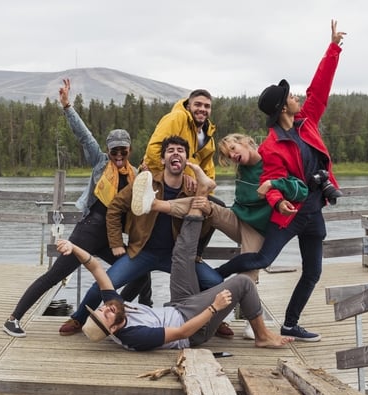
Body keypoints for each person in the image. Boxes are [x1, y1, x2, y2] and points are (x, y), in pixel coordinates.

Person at [211, 20, 347, 342]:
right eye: (290, 96)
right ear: (282, 106)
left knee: (313, 271)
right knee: (262, 259)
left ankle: (290, 323)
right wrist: (277, 201)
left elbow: (320, 89)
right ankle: (211, 277)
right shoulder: (272, 144)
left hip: (314, 210)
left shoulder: (307, 121)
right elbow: (271, 180)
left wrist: (333, 48)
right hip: (290, 214)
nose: (297, 97)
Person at [53, 170, 294, 351]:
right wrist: (214, 307)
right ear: (114, 329)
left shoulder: (115, 308)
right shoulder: (135, 337)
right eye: (105, 314)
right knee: (243, 284)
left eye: (102, 308)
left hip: (178, 306)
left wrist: (73, 247)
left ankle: (202, 190)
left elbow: (95, 268)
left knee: (182, 254)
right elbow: (182, 332)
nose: (106, 307)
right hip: (193, 327)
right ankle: (262, 335)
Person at [3, 78, 149, 338]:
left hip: (111, 237)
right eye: (114, 151)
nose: (118, 156)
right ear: (107, 149)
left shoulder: (136, 173)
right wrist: (67, 105)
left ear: (129, 150)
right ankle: (13, 319)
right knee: (55, 275)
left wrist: (150, 178)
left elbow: (144, 202)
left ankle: (114, 315)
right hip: (89, 230)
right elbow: (84, 135)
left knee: (140, 274)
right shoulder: (99, 162)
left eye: (122, 152)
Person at [57, 136, 224, 336]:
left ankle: (217, 320)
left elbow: (216, 212)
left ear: (186, 159)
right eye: (170, 150)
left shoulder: (193, 188)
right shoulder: (145, 183)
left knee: (214, 282)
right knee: (103, 284)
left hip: (176, 257)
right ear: (163, 160)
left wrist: (196, 252)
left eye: (180, 150)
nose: (176, 153)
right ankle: (79, 318)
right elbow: (115, 208)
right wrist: (116, 242)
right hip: (141, 252)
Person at [141, 89, 224, 259]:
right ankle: (182, 254)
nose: (202, 109)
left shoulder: (208, 134)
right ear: (189, 105)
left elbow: (208, 169)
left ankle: (193, 254)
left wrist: (206, 195)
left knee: (215, 207)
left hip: (188, 187)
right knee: (151, 233)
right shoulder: (176, 118)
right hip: (162, 181)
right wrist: (179, 174)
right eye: (198, 104)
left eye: (207, 106)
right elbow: (154, 149)